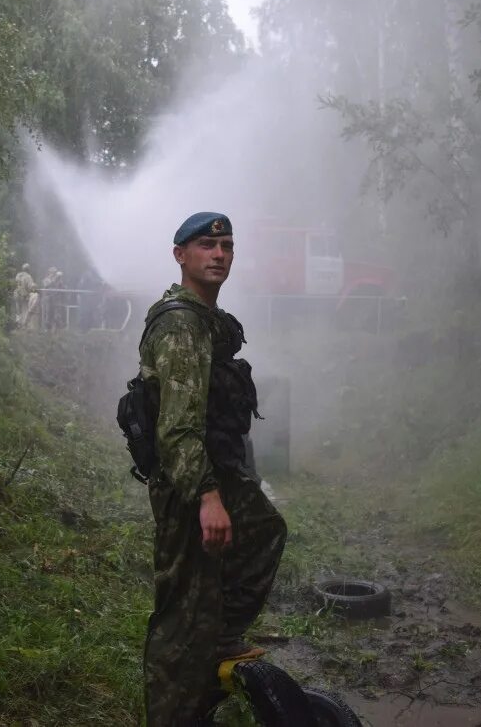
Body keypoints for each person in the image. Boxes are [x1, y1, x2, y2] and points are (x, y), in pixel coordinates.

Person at [138, 211, 287, 725]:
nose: (219, 254)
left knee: (264, 531)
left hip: (214, 470)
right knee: (183, 613)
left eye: (226, 244)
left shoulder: (206, 320)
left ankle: (217, 647)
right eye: (206, 245)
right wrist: (207, 498)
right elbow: (177, 428)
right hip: (187, 480)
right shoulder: (181, 324)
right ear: (181, 255)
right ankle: (174, 712)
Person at [13, 263, 38, 328]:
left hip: (17, 293)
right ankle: (24, 324)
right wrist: (34, 286)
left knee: (18, 309)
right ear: (28, 269)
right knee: (25, 309)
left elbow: (16, 282)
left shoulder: (18, 275)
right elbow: (30, 286)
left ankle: (18, 323)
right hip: (23, 295)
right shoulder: (28, 276)